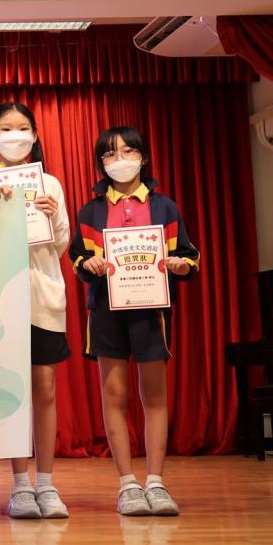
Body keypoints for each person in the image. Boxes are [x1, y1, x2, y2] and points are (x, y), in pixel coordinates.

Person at [69, 126, 199, 517]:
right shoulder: (91, 210)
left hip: (151, 310)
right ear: (101, 163)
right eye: (110, 154)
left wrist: (180, 265)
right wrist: (89, 264)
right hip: (106, 310)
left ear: (143, 157)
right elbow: (77, 259)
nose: (120, 160)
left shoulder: (165, 207)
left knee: (154, 396)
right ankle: (127, 484)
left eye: (128, 151)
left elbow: (188, 256)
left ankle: (156, 482)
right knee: (114, 396)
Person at [0, 101, 71, 519]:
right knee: (13, 392)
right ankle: (20, 485)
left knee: (45, 389)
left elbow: (60, 244)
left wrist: (51, 216)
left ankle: (47, 483)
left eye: (23, 128)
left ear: (35, 135)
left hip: (43, 296)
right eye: (5, 129)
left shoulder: (50, 184)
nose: (15, 135)